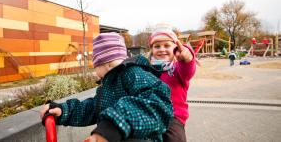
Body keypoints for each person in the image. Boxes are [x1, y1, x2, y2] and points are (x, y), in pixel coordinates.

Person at [40, 32, 173, 142]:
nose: (96, 73)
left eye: (95, 66)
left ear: (106, 64)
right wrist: (64, 111)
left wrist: (113, 125)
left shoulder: (133, 73)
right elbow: (93, 108)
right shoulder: (109, 84)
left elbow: (157, 101)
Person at [147, 25, 196, 142]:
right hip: (150, 114)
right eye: (157, 46)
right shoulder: (147, 69)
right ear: (152, 50)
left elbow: (188, 71)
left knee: (175, 139)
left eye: (167, 45)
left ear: (175, 48)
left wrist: (187, 60)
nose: (162, 49)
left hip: (173, 116)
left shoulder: (177, 68)